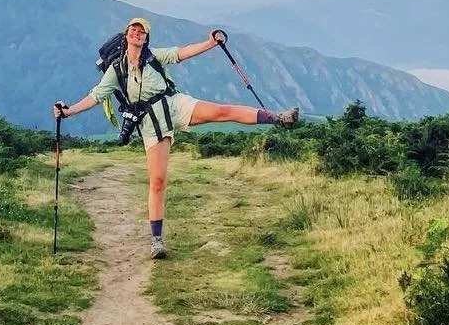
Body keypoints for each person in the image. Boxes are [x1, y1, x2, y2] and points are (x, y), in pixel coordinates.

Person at [54, 16, 299, 259]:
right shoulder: (116, 69)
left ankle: (277, 117)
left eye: (141, 31)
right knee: (158, 181)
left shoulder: (154, 57)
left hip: (173, 104)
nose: (136, 34)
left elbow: (182, 53)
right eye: (133, 30)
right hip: (150, 122)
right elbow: (96, 96)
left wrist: (210, 44)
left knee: (221, 111)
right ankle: (156, 241)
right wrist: (68, 112)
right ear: (126, 34)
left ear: (146, 38)